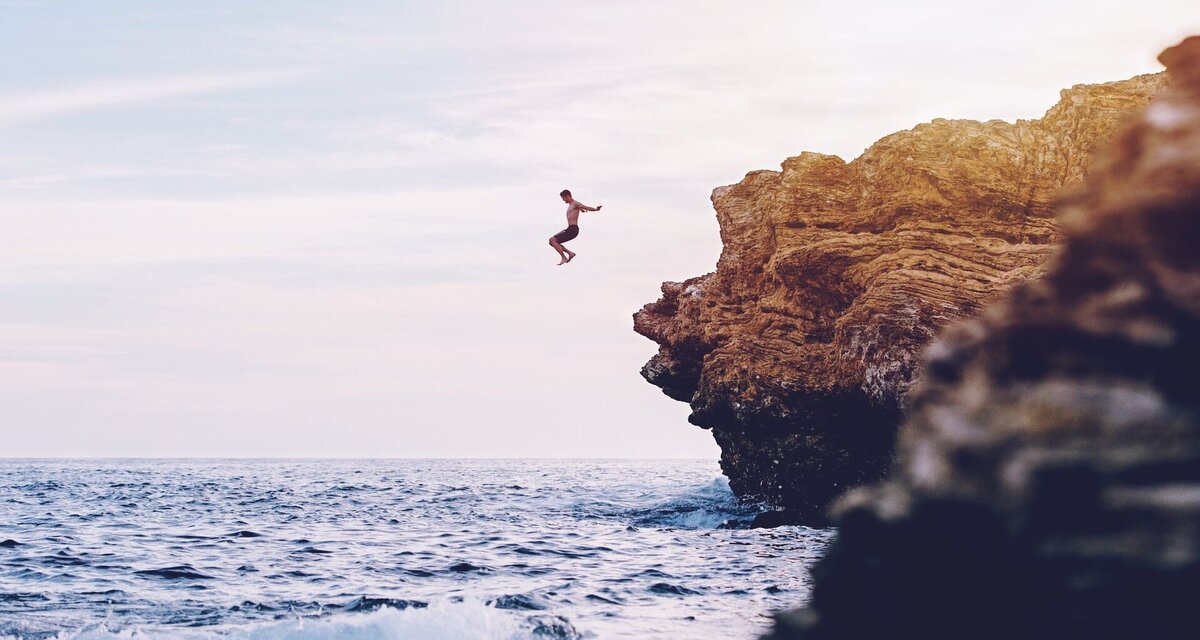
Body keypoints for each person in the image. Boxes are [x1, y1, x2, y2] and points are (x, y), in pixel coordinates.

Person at [549, 189, 602, 265]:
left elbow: (586, 207)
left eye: (563, 198)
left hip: (572, 229)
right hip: (570, 229)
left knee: (552, 240)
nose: (563, 200)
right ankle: (570, 253)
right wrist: (581, 209)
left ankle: (564, 257)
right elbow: (582, 209)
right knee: (552, 242)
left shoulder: (575, 204)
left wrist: (596, 209)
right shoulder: (572, 205)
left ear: (567, 196)